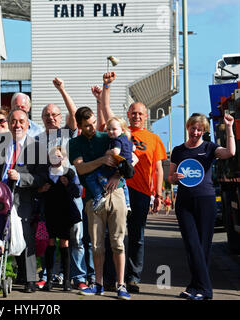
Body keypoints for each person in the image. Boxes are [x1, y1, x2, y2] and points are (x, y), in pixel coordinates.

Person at [99, 72, 167, 293]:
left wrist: (158, 194)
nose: (136, 116)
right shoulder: (122, 132)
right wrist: (106, 87)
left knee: (137, 236)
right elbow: (107, 111)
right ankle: (110, 278)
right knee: (113, 234)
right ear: (128, 115)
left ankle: (133, 278)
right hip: (118, 189)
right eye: (133, 113)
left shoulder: (154, 139)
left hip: (141, 192)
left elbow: (157, 168)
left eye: (140, 113)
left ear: (146, 116)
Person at [0, 108, 48, 293]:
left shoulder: (36, 147)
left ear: (28, 124)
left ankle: (29, 278)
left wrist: (21, 177)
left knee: (25, 236)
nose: (17, 125)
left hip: (23, 199)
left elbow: (42, 177)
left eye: (21, 121)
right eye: (13, 121)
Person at [168, 113, 235, 300]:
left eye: (200, 129)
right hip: (184, 202)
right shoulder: (178, 150)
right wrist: (174, 178)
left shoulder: (209, 147)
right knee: (192, 245)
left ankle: (200, 288)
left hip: (206, 201)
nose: (196, 132)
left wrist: (229, 128)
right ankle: (201, 287)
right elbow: (170, 177)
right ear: (188, 127)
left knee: (203, 246)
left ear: (204, 131)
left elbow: (230, 153)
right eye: (193, 128)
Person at [69, 106, 131, 300]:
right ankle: (98, 284)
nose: (92, 128)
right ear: (79, 125)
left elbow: (130, 156)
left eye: (94, 123)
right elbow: (81, 169)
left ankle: (121, 285)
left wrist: (117, 175)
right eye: (87, 125)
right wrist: (102, 160)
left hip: (117, 192)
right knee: (96, 245)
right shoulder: (74, 143)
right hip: (92, 199)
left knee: (118, 242)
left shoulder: (107, 136)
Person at [37, 146, 82, 291]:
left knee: (64, 244)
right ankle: (48, 278)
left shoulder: (69, 173)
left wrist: (68, 184)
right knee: (49, 244)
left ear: (63, 158)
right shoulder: (44, 174)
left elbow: (77, 192)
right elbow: (36, 193)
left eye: (58, 156)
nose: (55, 158)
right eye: (52, 156)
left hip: (65, 214)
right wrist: (41, 190)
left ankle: (66, 280)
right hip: (48, 213)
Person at [84, 116, 135, 212]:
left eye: (114, 129)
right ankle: (127, 204)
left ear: (122, 130)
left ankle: (99, 195)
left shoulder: (116, 140)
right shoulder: (127, 139)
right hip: (125, 166)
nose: (111, 131)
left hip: (117, 165)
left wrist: (108, 152)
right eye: (108, 129)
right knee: (124, 185)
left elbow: (116, 151)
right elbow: (134, 148)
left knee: (92, 177)